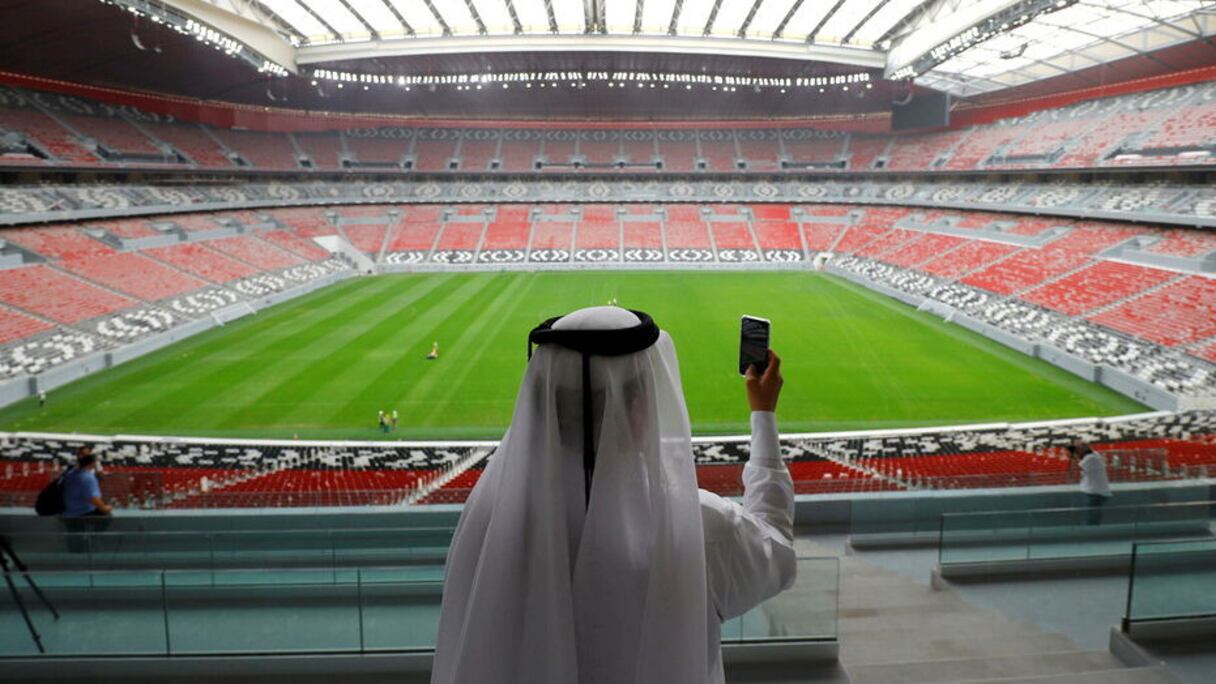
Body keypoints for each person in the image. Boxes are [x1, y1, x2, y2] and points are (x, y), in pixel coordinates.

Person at [432, 306, 794, 684]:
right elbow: (777, 546)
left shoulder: (489, 523)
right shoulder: (694, 528)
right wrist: (763, 416)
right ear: (638, 409)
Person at [1068, 441, 1111, 525]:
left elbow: (1074, 471)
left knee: (1092, 516)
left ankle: (1092, 530)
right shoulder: (1095, 455)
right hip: (1095, 491)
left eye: (1078, 449)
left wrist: (1073, 456)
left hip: (1094, 493)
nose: (1077, 451)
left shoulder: (1090, 458)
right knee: (1093, 514)